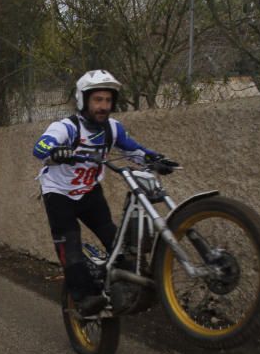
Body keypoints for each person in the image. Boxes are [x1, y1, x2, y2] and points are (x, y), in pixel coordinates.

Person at [32, 69, 171, 315]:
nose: (103, 106)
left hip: (89, 192)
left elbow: (135, 150)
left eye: (108, 100)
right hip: (59, 194)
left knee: (116, 240)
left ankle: (134, 289)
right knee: (70, 246)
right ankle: (83, 296)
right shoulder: (67, 127)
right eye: (98, 100)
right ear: (83, 100)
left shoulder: (112, 128)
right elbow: (41, 147)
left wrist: (156, 158)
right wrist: (56, 151)